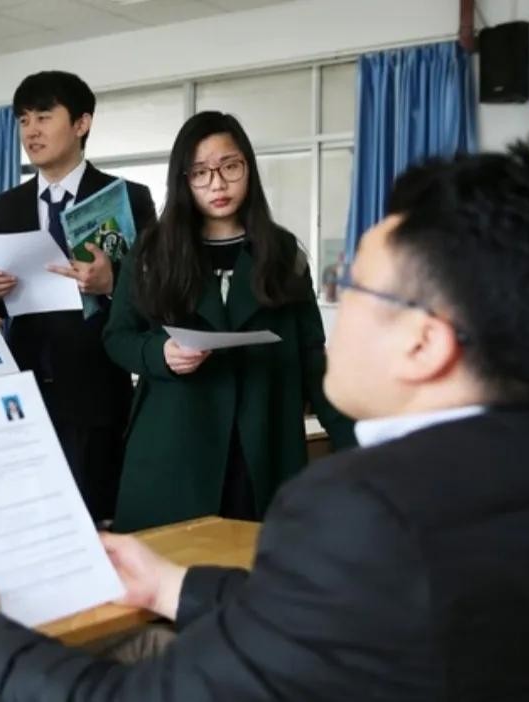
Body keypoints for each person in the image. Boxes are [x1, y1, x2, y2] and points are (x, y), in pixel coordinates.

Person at [0, 143, 529, 699]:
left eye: (351, 288)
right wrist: (174, 585)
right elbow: (351, 611)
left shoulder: (361, 511)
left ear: (424, 343)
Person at [104, 111, 354, 531]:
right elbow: (118, 337)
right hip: (175, 445)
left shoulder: (282, 252)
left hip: (261, 442)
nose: (217, 184)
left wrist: (355, 441)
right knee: (169, 563)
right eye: (200, 173)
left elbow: (312, 355)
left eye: (229, 167)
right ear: (183, 180)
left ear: (248, 168)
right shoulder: (153, 252)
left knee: (257, 561)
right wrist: (160, 354)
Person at [0, 70, 155, 522]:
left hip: (96, 392)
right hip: (23, 393)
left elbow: (159, 296)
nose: (31, 132)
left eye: (44, 117)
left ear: (82, 123)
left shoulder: (129, 199)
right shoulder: (6, 206)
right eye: (23, 120)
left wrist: (113, 283)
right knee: (27, 524)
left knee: (95, 525)